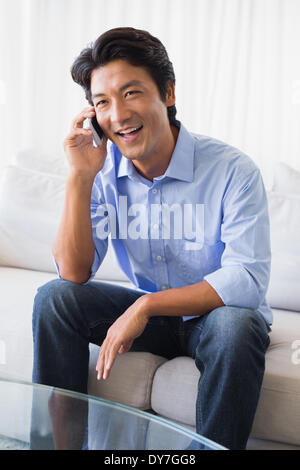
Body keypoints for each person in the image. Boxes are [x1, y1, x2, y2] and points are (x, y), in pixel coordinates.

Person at [32, 27, 272, 450]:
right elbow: (72, 273)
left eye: (131, 93)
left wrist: (146, 304)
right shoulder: (103, 172)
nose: (119, 114)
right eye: (102, 102)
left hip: (211, 320)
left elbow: (246, 280)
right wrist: (80, 176)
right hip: (152, 323)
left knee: (238, 325)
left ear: (169, 93)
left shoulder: (233, 170)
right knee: (54, 299)